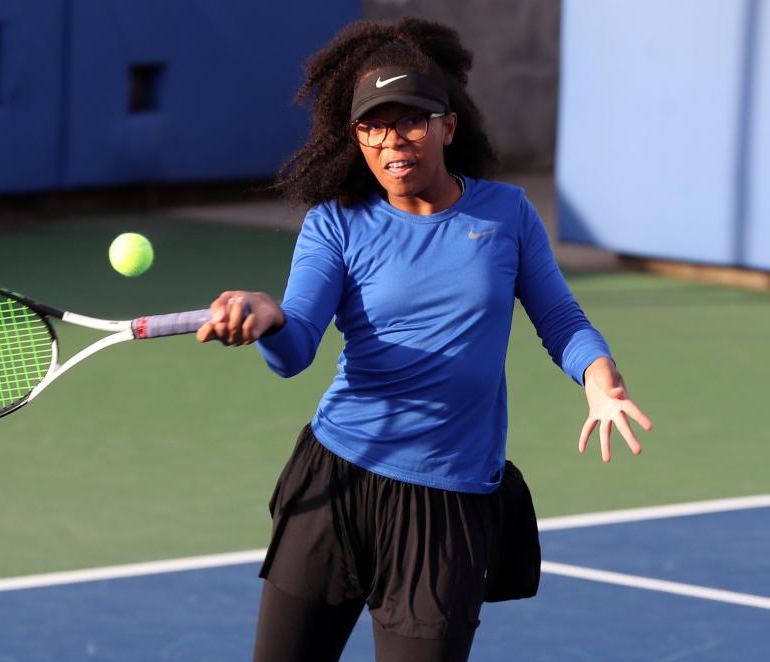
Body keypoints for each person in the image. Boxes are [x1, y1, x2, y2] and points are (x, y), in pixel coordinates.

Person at [197, 17, 653, 662]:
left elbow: (562, 321)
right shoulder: (336, 224)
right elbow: (295, 349)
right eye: (372, 126)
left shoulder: (506, 214)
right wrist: (266, 316)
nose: (392, 141)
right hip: (336, 482)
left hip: (448, 502)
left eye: (410, 119)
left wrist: (601, 378)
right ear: (354, 136)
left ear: (448, 125)